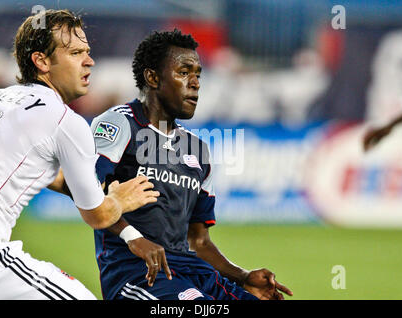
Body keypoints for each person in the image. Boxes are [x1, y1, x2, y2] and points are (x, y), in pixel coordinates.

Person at [0, 9, 160, 300]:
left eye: (88, 51)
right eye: (75, 53)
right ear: (42, 61)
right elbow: (98, 215)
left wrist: (87, 190)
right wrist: (120, 199)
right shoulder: (64, 121)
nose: (89, 61)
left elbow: (25, 170)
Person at [91, 29, 293, 300]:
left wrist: (243, 276)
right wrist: (132, 237)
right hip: (138, 275)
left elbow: (198, 241)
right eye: (184, 72)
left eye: (198, 74)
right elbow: (90, 192)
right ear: (152, 77)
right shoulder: (118, 123)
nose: (195, 83)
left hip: (193, 273)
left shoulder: (198, 150)